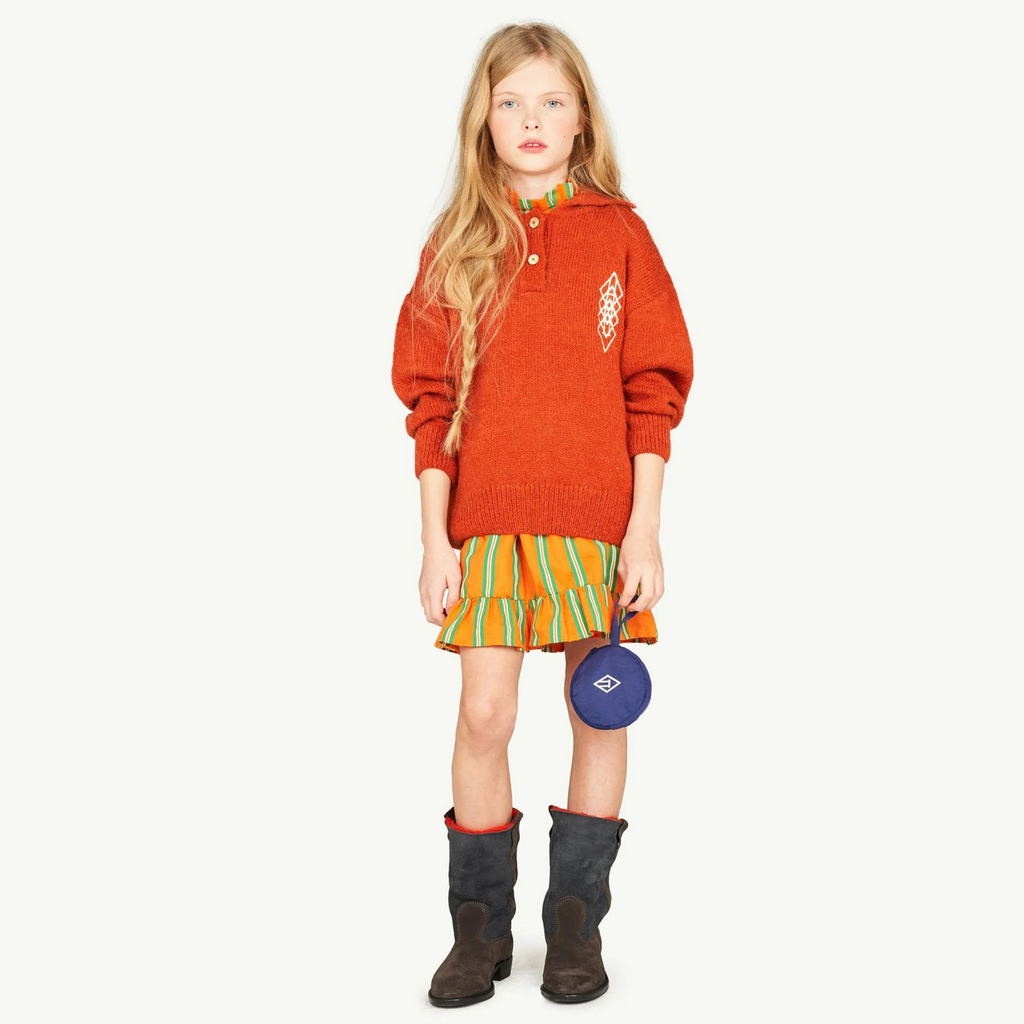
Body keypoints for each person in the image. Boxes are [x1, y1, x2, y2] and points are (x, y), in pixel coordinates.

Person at [390, 22, 694, 1008]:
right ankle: (477, 929)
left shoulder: (619, 235)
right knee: (485, 713)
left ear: (581, 120)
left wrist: (644, 527)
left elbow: (651, 390)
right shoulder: (455, 242)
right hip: (487, 525)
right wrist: (434, 539)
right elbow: (431, 404)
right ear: (483, 118)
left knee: (594, 706)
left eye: (552, 102)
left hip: (598, 523)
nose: (531, 119)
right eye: (511, 101)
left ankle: (575, 925)